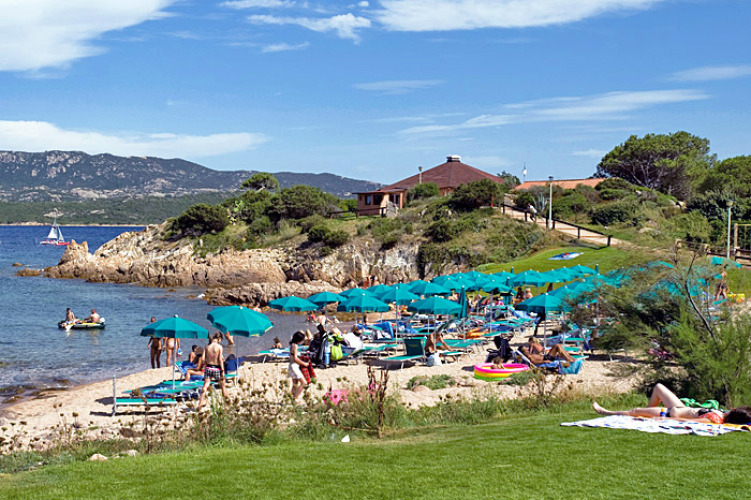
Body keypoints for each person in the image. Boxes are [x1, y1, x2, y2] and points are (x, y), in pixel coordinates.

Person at [593, 383, 751, 425]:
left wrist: (665, 420)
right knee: (659, 388)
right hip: (681, 407)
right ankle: (645, 412)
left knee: (634, 410)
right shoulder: (722, 413)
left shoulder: (715, 419)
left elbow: (688, 421)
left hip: (671, 413)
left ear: (735, 411)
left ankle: (606, 412)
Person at [197, 333, 229, 409]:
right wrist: (222, 370)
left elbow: (203, 359)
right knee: (223, 385)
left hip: (208, 368)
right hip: (217, 368)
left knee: (205, 385)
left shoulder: (207, 347)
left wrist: (207, 362)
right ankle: (226, 402)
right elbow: (220, 359)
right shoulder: (219, 347)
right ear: (219, 339)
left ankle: (200, 404)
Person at [289, 330, 311, 400]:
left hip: (291, 365)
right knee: (304, 383)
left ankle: (291, 397)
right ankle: (295, 398)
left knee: (295, 384)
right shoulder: (295, 346)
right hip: (294, 366)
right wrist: (304, 363)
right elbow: (295, 358)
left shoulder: (292, 345)